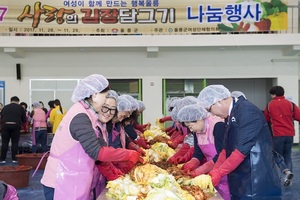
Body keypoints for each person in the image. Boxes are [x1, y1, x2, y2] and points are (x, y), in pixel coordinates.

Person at [40, 74, 142, 200]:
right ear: (94, 95)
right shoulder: (80, 116)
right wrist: (129, 154)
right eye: (105, 96)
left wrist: (118, 172)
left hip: (73, 179)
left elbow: (101, 147)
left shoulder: (89, 116)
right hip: (60, 181)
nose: (105, 101)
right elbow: (97, 152)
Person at [198, 85, 281, 199]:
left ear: (218, 101)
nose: (211, 114)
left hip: (256, 179)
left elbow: (241, 151)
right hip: (240, 178)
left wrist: (220, 172)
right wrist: (215, 170)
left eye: (209, 109)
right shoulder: (230, 114)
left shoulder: (247, 110)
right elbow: (225, 150)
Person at [176, 104, 230, 200]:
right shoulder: (197, 130)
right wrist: (193, 162)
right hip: (210, 171)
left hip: (224, 171)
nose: (191, 130)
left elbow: (223, 153)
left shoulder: (217, 125)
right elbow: (198, 152)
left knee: (224, 195)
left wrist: (203, 169)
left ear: (199, 119)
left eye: (191, 126)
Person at [263, 85, 300, 186]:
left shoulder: (270, 105)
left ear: (273, 94)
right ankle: (289, 179)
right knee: (288, 155)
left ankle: (285, 171)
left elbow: (265, 119)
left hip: (277, 134)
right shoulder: (291, 104)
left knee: (276, 155)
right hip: (290, 134)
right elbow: (298, 116)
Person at [0, 96, 26, 163]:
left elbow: (2, 117)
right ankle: (14, 159)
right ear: (18, 101)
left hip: (5, 125)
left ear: (11, 101)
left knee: (4, 142)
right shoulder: (20, 107)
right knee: (15, 142)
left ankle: (3, 159)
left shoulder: (5, 107)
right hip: (16, 126)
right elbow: (24, 120)